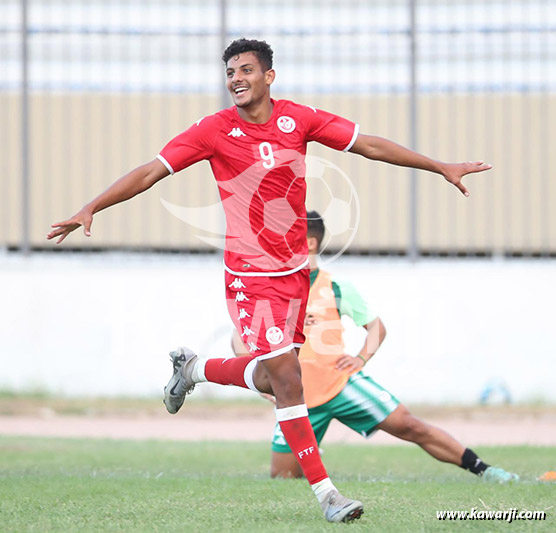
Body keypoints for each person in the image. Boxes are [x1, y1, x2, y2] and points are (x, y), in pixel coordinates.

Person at [47, 38, 493, 523]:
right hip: (249, 275)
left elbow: (369, 145)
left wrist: (439, 166)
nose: (235, 78)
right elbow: (152, 171)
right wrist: (92, 205)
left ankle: (193, 369)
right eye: (230, 72)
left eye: (245, 70)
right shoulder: (214, 130)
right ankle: (328, 495)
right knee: (287, 378)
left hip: (293, 276)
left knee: (273, 375)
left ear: (268, 76)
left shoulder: (298, 120)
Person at [234, 211, 519, 484]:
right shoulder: (272, 287)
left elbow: (376, 328)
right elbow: (240, 338)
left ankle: (486, 470)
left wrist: (360, 358)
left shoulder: (335, 287)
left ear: (309, 243)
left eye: (288, 236)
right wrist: (263, 380)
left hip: (340, 385)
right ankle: (312, 454)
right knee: (282, 476)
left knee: (411, 426)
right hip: (297, 398)